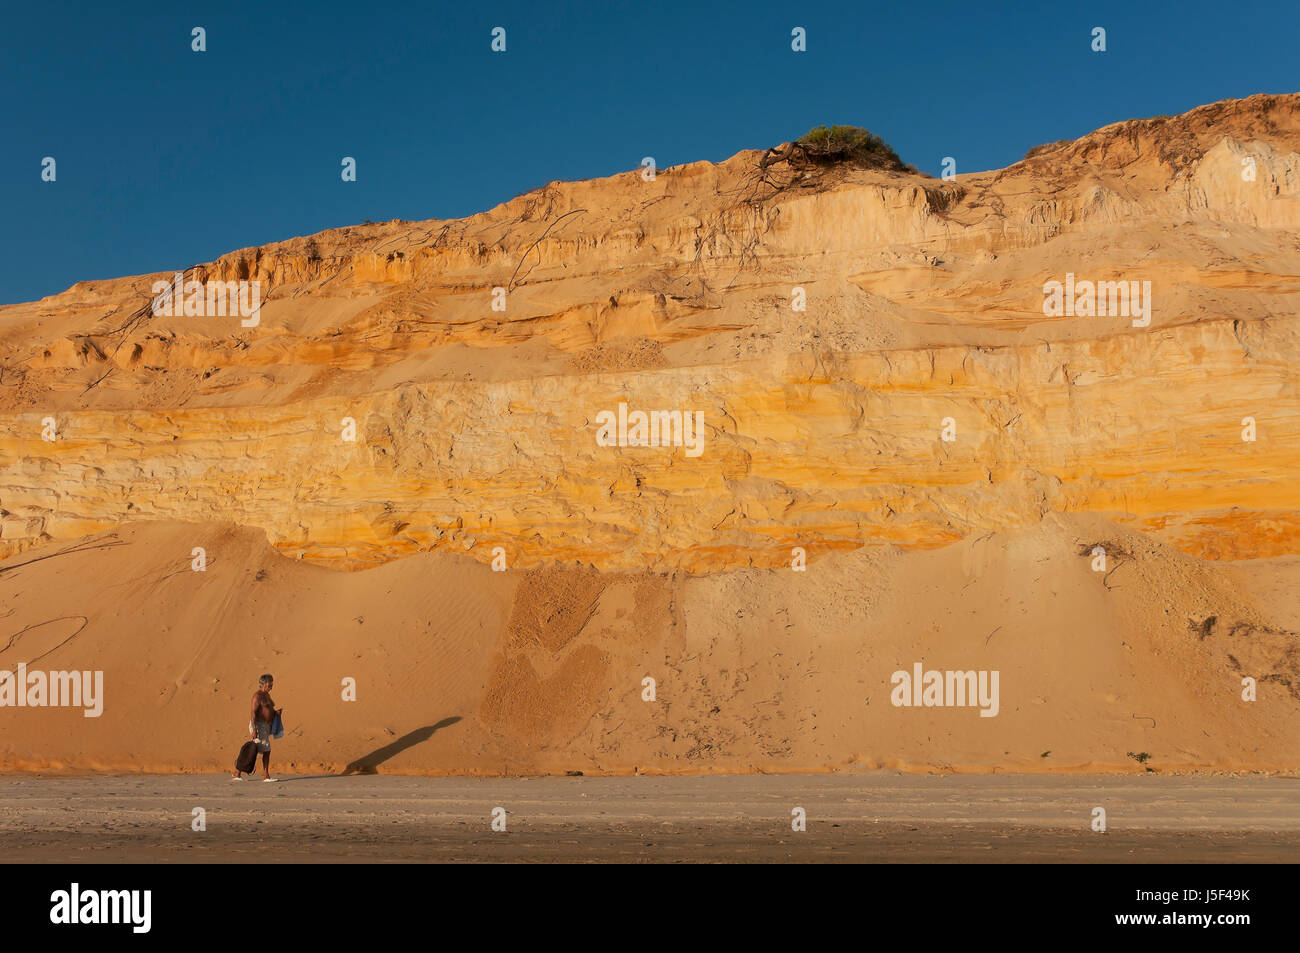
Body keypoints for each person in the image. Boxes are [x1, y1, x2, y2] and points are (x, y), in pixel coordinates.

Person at [232, 673, 282, 782]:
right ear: (263, 684)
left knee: (254, 749)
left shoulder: (267, 695)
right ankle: (266, 776)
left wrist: (275, 713)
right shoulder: (257, 696)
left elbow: (267, 709)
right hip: (258, 725)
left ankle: (237, 772)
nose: (271, 687)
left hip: (265, 726)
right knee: (265, 750)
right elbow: (253, 713)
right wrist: (254, 729)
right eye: (270, 684)